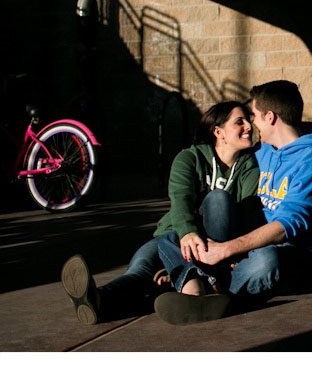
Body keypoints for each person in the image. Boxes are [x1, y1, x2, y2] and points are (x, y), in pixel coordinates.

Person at [153, 80, 312, 325]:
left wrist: (229, 249)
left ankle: (202, 287)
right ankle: (205, 285)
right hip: (248, 247)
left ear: (270, 117)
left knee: (267, 261)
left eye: (254, 116)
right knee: (172, 237)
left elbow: (286, 226)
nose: (252, 124)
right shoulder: (262, 152)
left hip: (292, 252)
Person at [60, 100, 260, 324]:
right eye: (239, 122)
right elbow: (180, 199)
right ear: (218, 131)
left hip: (215, 248)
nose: (249, 126)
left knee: (218, 199)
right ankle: (98, 299)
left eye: (249, 120)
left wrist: (237, 250)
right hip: (177, 237)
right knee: (141, 271)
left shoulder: (249, 166)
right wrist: (187, 233)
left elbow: (248, 212)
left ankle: (197, 288)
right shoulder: (189, 158)